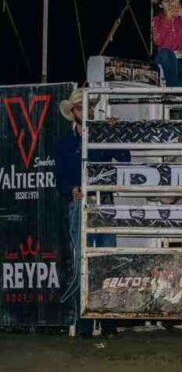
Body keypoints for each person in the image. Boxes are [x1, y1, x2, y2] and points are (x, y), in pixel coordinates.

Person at [55, 88, 130, 336]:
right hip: (82, 203)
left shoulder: (100, 134)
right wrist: (71, 190)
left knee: (106, 260)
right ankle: (86, 321)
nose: (84, 111)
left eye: (86, 107)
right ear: (73, 112)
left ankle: (107, 321)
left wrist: (113, 132)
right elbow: (60, 181)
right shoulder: (64, 144)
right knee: (82, 263)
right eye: (80, 107)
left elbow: (124, 158)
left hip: (103, 202)